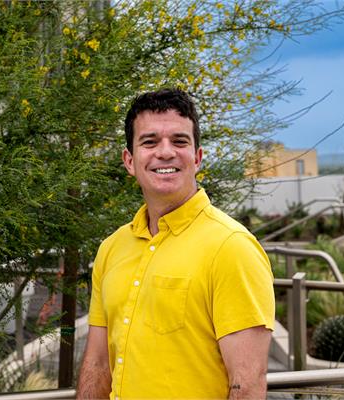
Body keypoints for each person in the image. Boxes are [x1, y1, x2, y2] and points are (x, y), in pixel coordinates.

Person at [77, 88, 275, 399]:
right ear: (129, 161)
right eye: (150, 141)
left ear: (197, 158)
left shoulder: (232, 248)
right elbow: (98, 364)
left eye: (179, 141)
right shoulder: (111, 249)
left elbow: (247, 383)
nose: (165, 152)